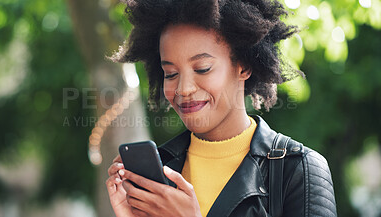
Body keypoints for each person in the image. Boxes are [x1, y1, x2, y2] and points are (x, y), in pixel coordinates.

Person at [106, 0, 337, 216]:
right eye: (171, 74)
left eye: (203, 68)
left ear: (244, 66)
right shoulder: (160, 173)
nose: (183, 89)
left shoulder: (299, 170)